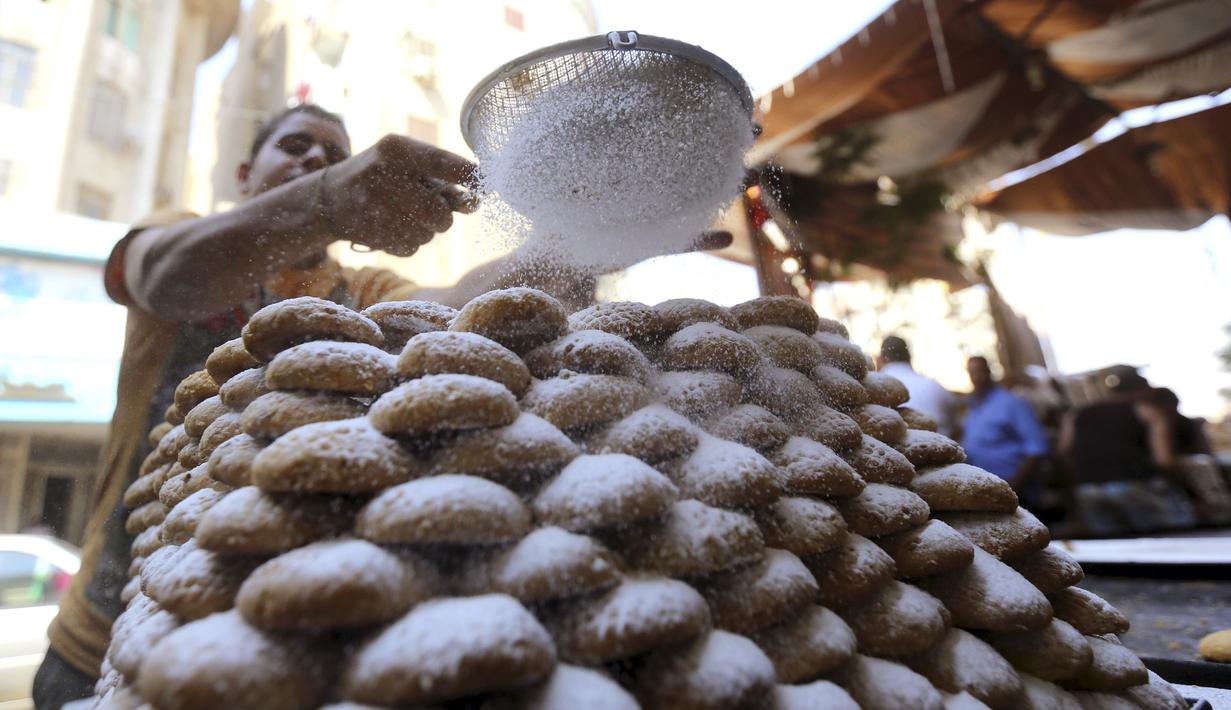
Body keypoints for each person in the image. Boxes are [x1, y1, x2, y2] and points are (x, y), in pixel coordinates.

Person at [34, 104, 729, 708]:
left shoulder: (364, 292)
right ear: (245, 176)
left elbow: (462, 307)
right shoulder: (188, 233)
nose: (315, 157)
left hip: (286, 636)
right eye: (295, 146)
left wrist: (588, 241)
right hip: (109, 628)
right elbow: (163, 274)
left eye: (333, 153)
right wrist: (326, 195)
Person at [1057, 367, 1196, 536]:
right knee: (1173, 544)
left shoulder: (1076, 415)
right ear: (1142, 390)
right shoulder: (1148, 411)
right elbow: (1164, 460)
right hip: (1137, 484)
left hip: (1089, 490)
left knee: (1119, 552)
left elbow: (1063, 452)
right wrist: (1191, 492)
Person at [961, 356, 1050, 507]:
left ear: (989, 371)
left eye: (979, 371)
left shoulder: (1012, 403)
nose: (976, 377)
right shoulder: (973, 408)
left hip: (1018, 492)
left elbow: (1036, 449)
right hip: (988, 493)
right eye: (971, 373)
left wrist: (1013, 487)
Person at [876, 335, 959, 438]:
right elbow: (956, 424)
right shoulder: (935, 387)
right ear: (909, 357)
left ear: (881, 358)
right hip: (940, 449)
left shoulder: (875, 390)